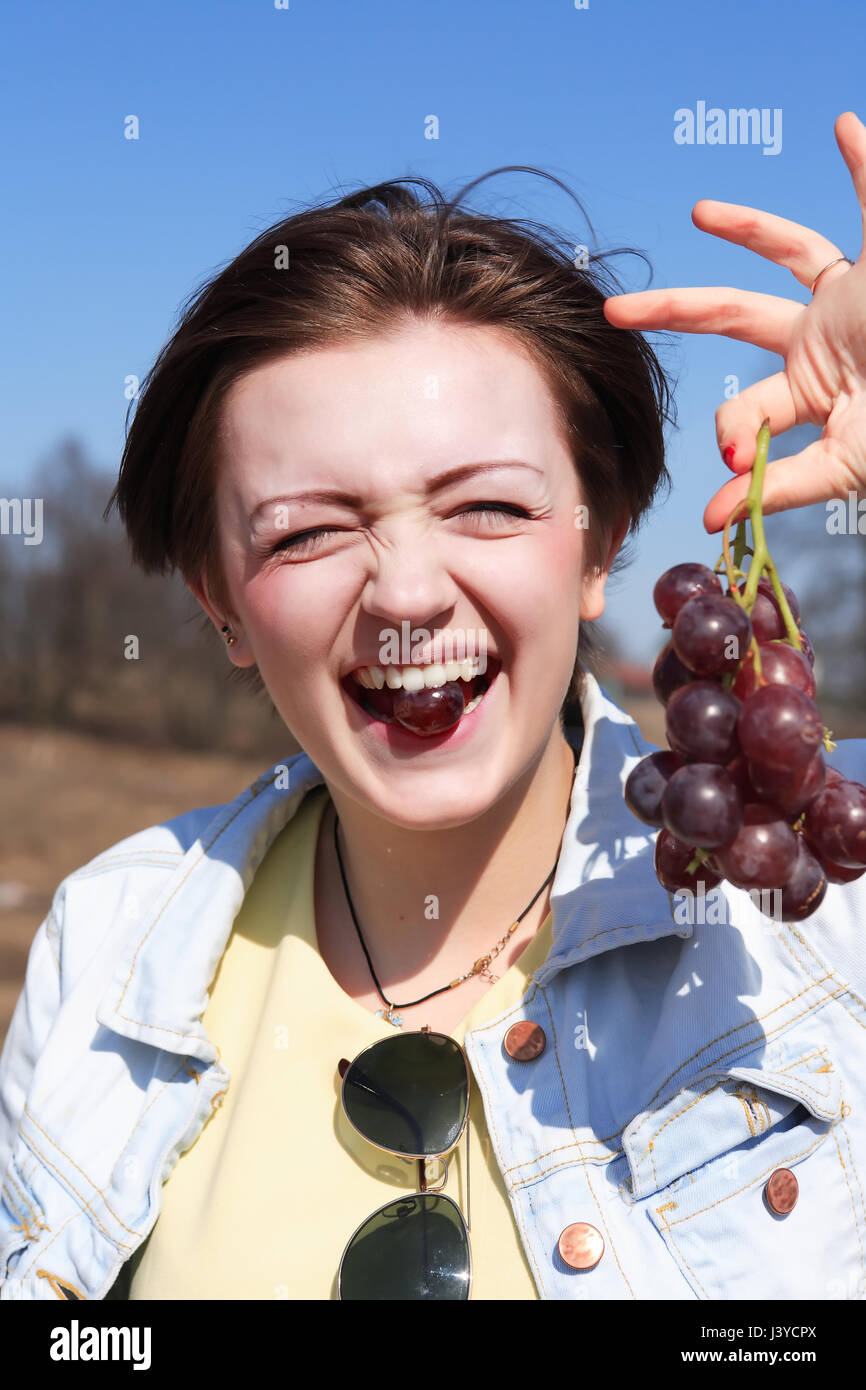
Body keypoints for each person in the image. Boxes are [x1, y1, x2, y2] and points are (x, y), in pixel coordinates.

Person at [1, 110, 864, 1302]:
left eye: (489, 508)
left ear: (596, 541)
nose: (405, 592)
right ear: (220, 602)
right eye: (305, 530)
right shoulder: (103, 946)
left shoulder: (816, 889)